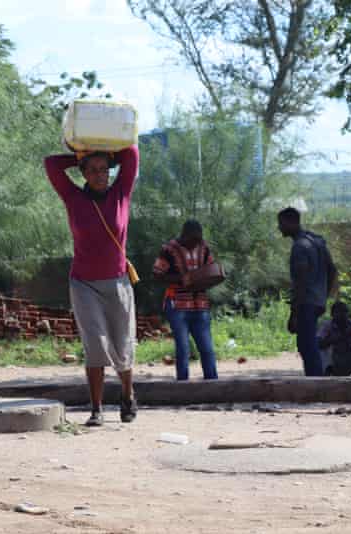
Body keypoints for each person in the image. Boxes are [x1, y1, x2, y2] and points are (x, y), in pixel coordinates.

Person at [44, 145, 140, 427]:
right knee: (95, 346)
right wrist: (80, 156)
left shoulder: (121, 192)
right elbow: (51, 163)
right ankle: (96, 408)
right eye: (93, 170)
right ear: (83, 174)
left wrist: (106, 153)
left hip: (119, 282)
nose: (100, 175)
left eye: (104, 170)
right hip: (84, 283)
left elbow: (131, 153)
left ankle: (127, 394)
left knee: (122, 346)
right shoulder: (73, 197)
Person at [152, 220, 219, 380]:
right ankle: (183, 385)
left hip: (200, 305)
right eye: (194, 239)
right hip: (177, 305)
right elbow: (157, 274)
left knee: (207, 348)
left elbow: (211, 269)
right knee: (183, 348)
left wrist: (212, 277)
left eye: (199, 239)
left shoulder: (204, 247)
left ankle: (212, 385)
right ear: (184, 235)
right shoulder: (168, 249)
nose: (197, 242)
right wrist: (182, 279)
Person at [277, 207, 337, 377]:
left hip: (306, 303)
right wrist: (323, 297)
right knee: (310, 345)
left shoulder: (299, 246)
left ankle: (316, 385)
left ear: (291, 222)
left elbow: (301, 282)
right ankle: (317, 383)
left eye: (281, 223)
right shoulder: (317, 241)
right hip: (317, 301)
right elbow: (332, 270)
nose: (279, 227)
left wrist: (294, 313)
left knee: (307, 346)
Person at [316, 301, 351, 376]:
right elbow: (319, 343)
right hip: (333, 357)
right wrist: (338, 338)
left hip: (348, 355)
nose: (342, 314)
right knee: (323, 350)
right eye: (339, 312)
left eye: (345, 311)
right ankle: (328, 370)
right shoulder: (327, 325)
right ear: (332, 314)